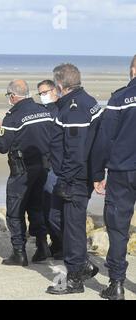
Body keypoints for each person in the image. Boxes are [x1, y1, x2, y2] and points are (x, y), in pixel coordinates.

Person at [46, 64, 102, 295]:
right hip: (74, 175)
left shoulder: (76, 108)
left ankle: (75, 279)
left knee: (72, 226)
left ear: (60, 85)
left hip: (75, 178)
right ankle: (82, 263)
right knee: (56, 217)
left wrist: (67, 180)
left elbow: (77, 151)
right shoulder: (79, 103)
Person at [0, 80, 52, 267]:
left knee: (15, 212)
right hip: (43, 168)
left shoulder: (13, 117)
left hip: (21, 170)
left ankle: (19, 253)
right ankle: (42, 247)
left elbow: (2, 146)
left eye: (8, 95)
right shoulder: (44, 111)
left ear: (13, 96)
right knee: (36, 208)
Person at [90, 55, 136, 300]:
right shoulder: (118, 98)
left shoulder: (119, 98)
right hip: (122, 170)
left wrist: (98, 173)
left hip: (122, 172)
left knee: (118, 229)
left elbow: (104, 139)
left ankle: (117, 284)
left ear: (132, 69)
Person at [37, 80, 63, 260]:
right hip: (43, 165)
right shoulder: (41, 111)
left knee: (53, 208)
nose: (42, 96)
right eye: (40, 93)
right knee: (44, 207)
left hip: (55, 165)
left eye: (45, 92)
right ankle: (53, 243)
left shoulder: (61, 110)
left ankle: (61, 244)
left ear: (55, 90)